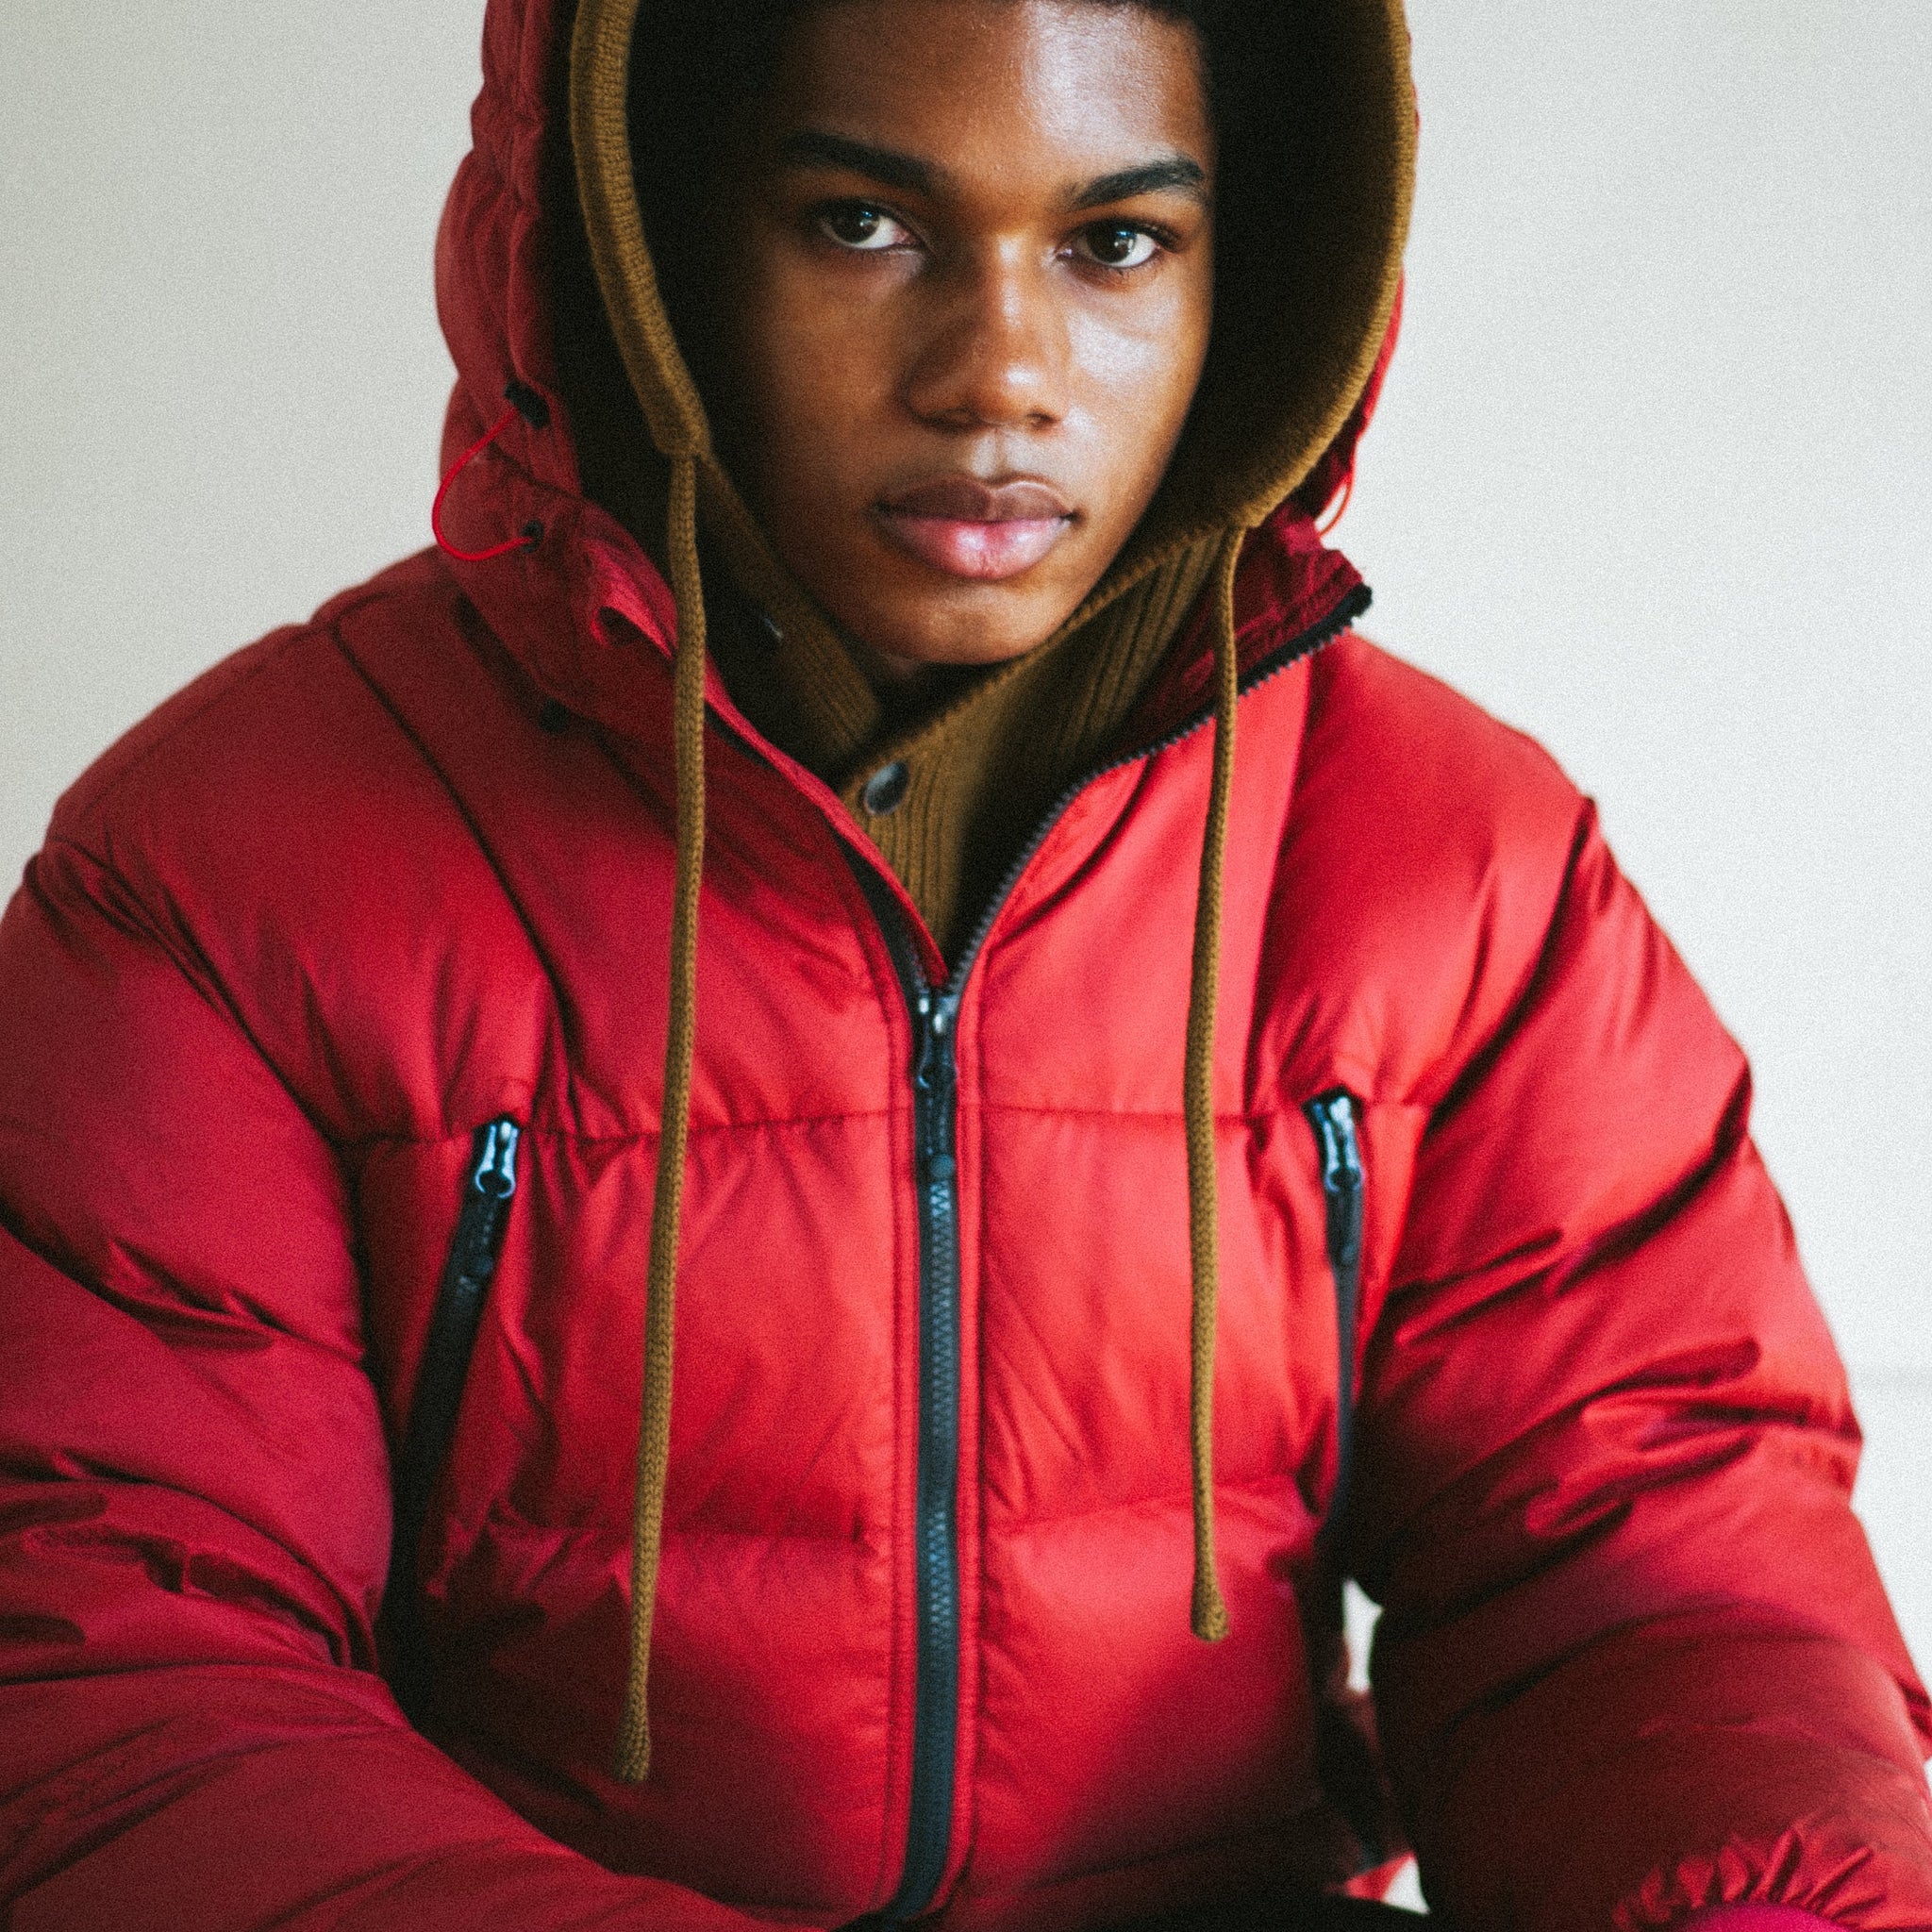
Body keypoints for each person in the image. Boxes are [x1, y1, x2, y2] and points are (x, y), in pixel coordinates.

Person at [0, 1, 1926, 1928]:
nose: (1001, 371)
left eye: (1116, 241)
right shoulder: (224, 875)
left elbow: (1657, 1583)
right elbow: (125, 1685)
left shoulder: (1447, 866)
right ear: (648, 241)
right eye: (864, 224)